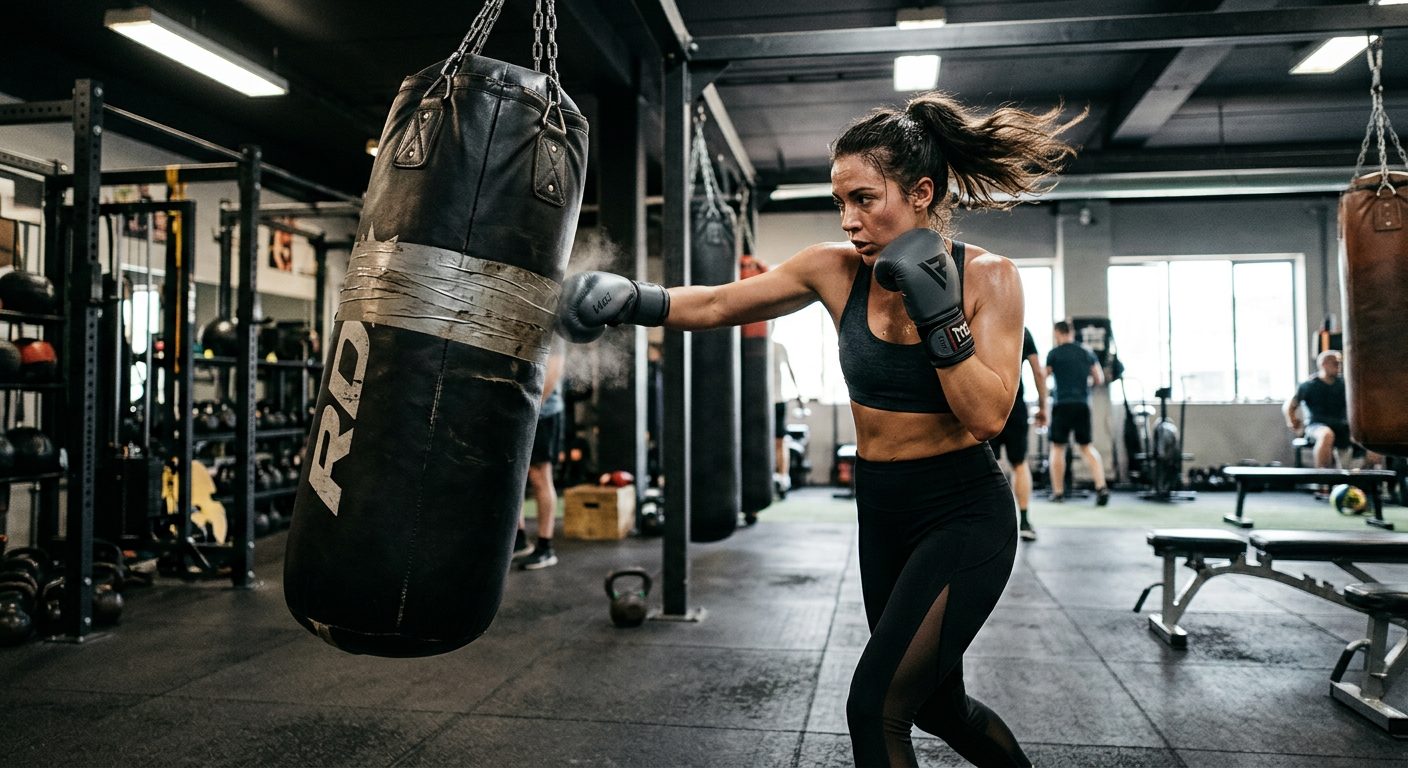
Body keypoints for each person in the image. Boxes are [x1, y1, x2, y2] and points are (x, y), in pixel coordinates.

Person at [558, 91, 1080, 768]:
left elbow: (986, 416)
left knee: (876, 709)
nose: (849, 220)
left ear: (921, 193)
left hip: (962, 514)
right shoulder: (832, 269)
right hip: (882, 511)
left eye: (865, 199)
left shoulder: (989, 277)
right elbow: (716, 303)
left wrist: (939, 315)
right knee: (937, 706)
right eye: (841, 202)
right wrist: (635, 298)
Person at [989, 327, 1048, 540]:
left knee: (988, 464)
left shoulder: (981, 322)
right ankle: (1024, 521)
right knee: (1019, 463)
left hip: (987, 403)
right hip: (1014, 404)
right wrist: (1043, 407)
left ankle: (992, 522)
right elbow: (1038, 372)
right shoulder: (1022, 329)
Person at [1044, 320, 1109, 505]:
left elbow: (1043, 376)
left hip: (1062, 404)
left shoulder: (1054, 354)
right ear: (1071, 333)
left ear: (1058, 333)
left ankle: (1058, 493)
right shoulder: (1086, 352)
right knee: (1086, 447)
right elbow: (1099, 378)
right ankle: (1101, 487)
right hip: (1082, 404)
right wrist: (1085, 385)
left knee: (1058, 448)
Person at [1283, 349, 1381, 470]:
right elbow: (1290, 405)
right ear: (1323, 364)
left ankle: (1368, 477)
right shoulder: (1308, 385)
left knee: (1372, 440)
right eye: (1335, 363)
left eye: (1339, 363)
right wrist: (1292, 420)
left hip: (1342, 426)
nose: (1338, 365)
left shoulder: (1344, 384)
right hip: (1316, 426)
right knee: (1327, 434)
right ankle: (1322, 478)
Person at [515, 339, 566, 570]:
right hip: (519, 410)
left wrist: (531, 407)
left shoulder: (553, 332)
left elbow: (552, 374)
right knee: (515, 474)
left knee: (539, 477)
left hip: (543, 413)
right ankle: (518, 540)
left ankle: (546, 548)